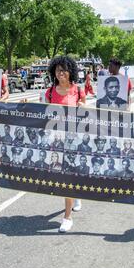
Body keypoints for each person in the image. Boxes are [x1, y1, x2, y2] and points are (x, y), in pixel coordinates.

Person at [46, 55, 86, 232]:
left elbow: (84, 107)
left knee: (67, 177)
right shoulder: (50, 91)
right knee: (59, 175)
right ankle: (75, 196)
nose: (60, 73)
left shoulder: (77, 90)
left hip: (73, 138)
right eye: (57, 70)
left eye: (64, 70)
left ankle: (67, 217)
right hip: (56, 139)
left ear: (71, 72)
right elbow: (42, 112)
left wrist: (83, 106)